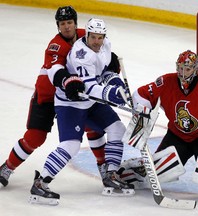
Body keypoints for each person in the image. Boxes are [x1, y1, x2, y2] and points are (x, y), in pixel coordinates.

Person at [0, 6, 118, 188]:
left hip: (74, 98)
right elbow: (57, 71)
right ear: (58, 26)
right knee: (35, 137)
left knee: (94, 128)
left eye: (69, 23)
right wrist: (68, 81)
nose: (67, 27)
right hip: (48, 96)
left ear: (76, 23)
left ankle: (103, 167)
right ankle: (7, 168)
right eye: (62, 24)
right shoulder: (55, 46)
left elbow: (103, 52)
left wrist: (111, 64)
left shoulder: (86, 35)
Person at [29, 17, 134, 205]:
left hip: (90, 102)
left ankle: (110, 174)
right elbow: (90, 88)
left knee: (117, 128)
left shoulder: (105, 45)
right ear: (87, 34)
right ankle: (40, 183)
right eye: (93, 37)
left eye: (100, 37)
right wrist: (111, 94)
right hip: (71, 103)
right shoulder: (81, 54)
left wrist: (116, 84)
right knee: (71, 145)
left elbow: (105, 72)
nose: (97, 41)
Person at [119, 50, 198, 186]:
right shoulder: (166, 82)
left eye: (187, 69)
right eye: (180, 68)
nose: (183, 73)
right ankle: (133, 167)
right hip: (177, 136)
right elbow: (140, 95)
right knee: (159, 172)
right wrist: (142, 113)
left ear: (195, 69)